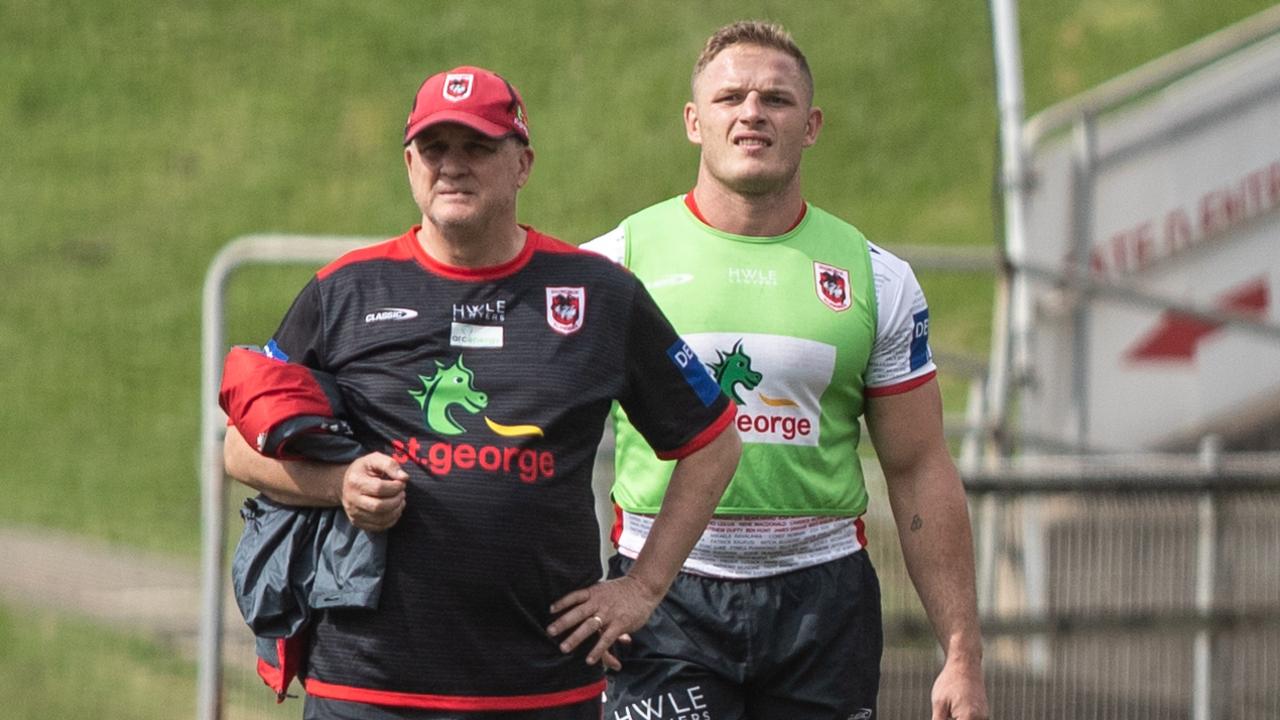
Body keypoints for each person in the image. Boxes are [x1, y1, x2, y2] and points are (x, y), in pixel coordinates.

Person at [223, 64, 742, 720]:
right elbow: (239, 452)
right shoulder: (344, 290)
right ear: (409, 162)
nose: (452, 166)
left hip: (542, 685)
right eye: (435, 148)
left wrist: (642, 588)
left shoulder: (598, 293)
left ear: (522, 163)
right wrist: (340, 484)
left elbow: (714, 443)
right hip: (368, 684)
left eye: (477, 147)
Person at [583, 21, 989, 720]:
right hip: (663, 595)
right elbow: (543, 447)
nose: (752, 113)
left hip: (821, 602)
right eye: (730, 97)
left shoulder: (876, 278)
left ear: (812, 126)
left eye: (776, 99)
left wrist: (962, 652)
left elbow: (920, 466)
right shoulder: (613, 265)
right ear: (693, 121)